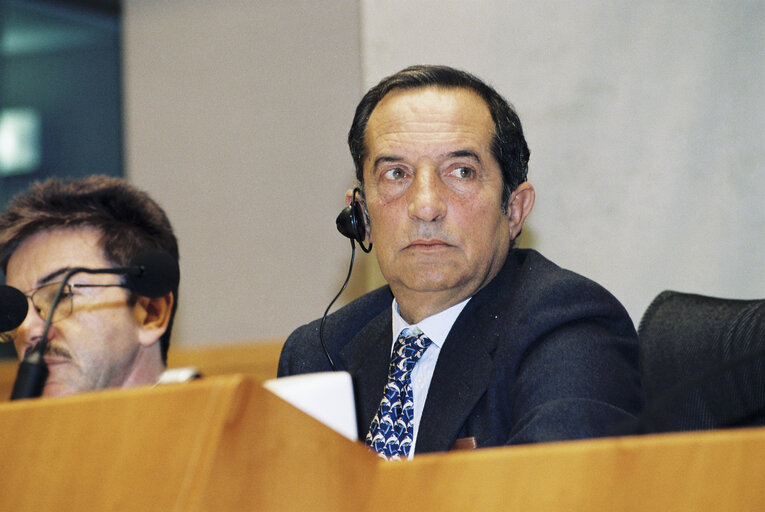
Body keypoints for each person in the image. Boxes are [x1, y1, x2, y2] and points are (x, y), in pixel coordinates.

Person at [278, 65, 643, 459]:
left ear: (515, 210)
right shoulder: (317, 353)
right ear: (360, 216)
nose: (426, 206)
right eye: (396, 173)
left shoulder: (569, 328)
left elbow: (553, 493)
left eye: (461, 172)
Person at [0, 175, 180, 398]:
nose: (27, 329)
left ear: (151, 313)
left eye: (60, 296)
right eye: (17, 312)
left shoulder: (216, 429)